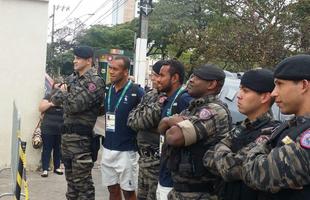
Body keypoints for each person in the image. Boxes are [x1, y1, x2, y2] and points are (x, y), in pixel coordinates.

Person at [240, 55, 310, 199]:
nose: (274, 93)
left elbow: (256, 173)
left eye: (280, 84)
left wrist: (263, 151)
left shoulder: (306, 136)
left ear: (304, 85)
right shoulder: (293, 125)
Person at [158, 64, 232, 199]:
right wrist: (170, 120)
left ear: (212, 84)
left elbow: (174, 137)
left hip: (200, 193)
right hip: (180, 190)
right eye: (192, 76)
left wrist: (170, 121)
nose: (191, 80)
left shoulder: (214, 111)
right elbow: (162, 128)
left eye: (198, 78)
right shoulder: (193, 108)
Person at [204, 69, 280, 200]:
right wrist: (225, 156)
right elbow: (207, 157)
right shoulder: (243, 127)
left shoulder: (271, 133)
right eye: (240, 89)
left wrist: (222, 152)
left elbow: (231, 169)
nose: (238, 95)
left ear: (265, 97)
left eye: (246, 91)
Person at [51, 45, 105, 200]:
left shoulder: (95, 82)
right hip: (67, 139)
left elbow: (75, 106)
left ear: (88, 61)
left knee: (83, 186)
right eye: (74, 57)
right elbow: (54, 99)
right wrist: (64, 94)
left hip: (81, 141)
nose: (74, 61)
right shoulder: (72, 78)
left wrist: (64, 94)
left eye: (78, 58)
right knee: (71, 186)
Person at [101, 55, 144, 200]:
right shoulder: (107, 89)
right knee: (112, 189)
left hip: (127, 150)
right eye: (110, 68)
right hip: (107, 147)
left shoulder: (136, 91)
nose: (111, 72)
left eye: (115, 69)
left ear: (126, 72)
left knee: (128, 191)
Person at [127, 60, 165, 200]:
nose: (153, 78)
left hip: (157, 161)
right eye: (153, 74)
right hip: (143, 159)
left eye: (157, 75)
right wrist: (151, 125)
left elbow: (142, 120)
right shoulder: (149, 95)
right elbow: (131, 119)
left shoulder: (170, 98)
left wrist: (145, 122)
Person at [156, 59, 193, 200]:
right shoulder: (167, 99)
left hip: (174, 180)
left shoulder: (185, 100)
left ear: (175, 78)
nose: (158, 80)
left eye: (161, 75)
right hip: (163, 172)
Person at [39, 80, 64, 177]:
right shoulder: (49, 96)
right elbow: (40, 108)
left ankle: (57, 167)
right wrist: (51, 104)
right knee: (47, 149)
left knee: (58, 149)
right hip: (48, 128)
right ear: (53, 87)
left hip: (61, 128)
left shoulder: (65, 98)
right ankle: (45, 169)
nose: (59, 88)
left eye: (61, 86)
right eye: (57, 86)